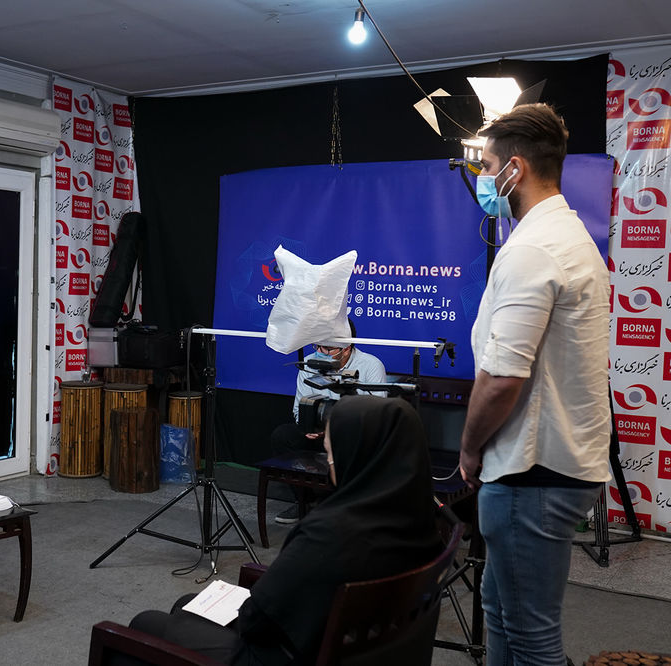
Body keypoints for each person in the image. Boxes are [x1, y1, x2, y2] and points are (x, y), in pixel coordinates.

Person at [123, 396, 443, 664]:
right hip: (350, 646)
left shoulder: (328, 535)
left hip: (282, 655)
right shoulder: (421, 524)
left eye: (331, 454)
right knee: (186, 605)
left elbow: (256, 621)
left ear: (356, 457)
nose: (328, 463)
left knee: (147, 622)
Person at [459, 103, 610, 666]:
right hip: (549, 467)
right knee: (500, 612)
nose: (483, 178)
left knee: (530, 636)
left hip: (532, 472)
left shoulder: (532, 249)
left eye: (487, 165)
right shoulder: (566, 236)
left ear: (514, 169)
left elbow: (502, 378)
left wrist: (469, 448)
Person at [271, 318, 386, 523]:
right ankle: (304, 500)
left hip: (353, 435)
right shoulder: (309, 364)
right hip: (319, 432)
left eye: (327, 348)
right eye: (318, 346)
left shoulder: (371, 365)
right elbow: (299, 409)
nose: (321, 352)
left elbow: (376, 416)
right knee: (283, 435)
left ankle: (342, 504)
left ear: (346, 348)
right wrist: (307, 426)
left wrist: (336, 428)